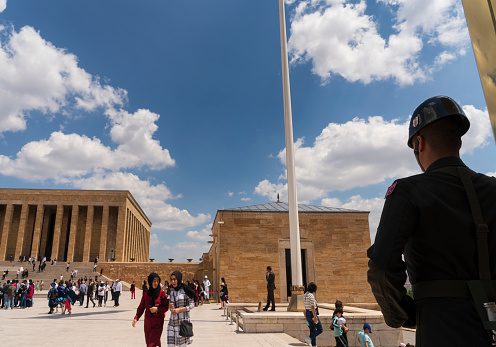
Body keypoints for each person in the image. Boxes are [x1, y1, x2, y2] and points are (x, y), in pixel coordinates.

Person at [367, 95, 496, 346]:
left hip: (441, 326)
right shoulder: (493, 188)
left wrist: (403, 314)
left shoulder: (408, 191)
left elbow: (382, 266)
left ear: (419, 143)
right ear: (459, 142)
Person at [132, 273, 169, 347]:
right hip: (148, 323)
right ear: (150, 281)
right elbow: (141, 307)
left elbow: (166, 307)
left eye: (157, 281)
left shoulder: (162, 294)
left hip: (158, 323)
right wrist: (136, 318)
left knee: (150, 344)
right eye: (154, 281)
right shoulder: (146, 294)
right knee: (151, 342)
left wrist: (157, 309)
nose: (156, 283)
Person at [167, 271, 196, 346]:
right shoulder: (172, 290)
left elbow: (192, 304)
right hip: (173, 321)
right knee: (170, 344)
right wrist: (170, 306)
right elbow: (171, 306)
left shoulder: (185, 290)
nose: (173, 282)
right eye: (171, 279)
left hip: (182, 322)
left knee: (181, 345)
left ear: (179, 279)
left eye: (174, 279)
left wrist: (179, 310)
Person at [303, 282, 323, 347]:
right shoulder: (311, 295)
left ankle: (314, 344)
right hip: (312, 313)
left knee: (313, 329)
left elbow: (306, 306)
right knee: (320, 329)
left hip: (308, 313)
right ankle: (309, 338)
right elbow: (312, 307)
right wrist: (315, 316)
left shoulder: (305, 294)